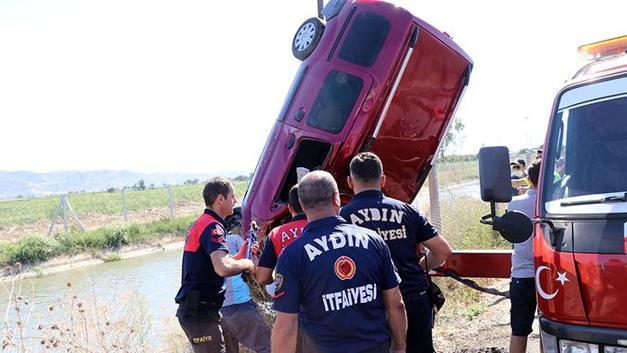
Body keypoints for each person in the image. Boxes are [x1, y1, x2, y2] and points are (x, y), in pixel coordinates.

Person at [271, 171, 407, 353]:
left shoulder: (292, 255)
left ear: (302, 205)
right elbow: (395, 303)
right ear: (336, 199)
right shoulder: (373, 240)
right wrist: (399, 347)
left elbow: (286, 324)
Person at [340, 152, 451, 353]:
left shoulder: (342, 218)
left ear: (349, 181)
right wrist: (419, 267)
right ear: (382, 180)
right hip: (413, 297)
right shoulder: (407, 211)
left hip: (370, 306)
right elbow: (442, 250)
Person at [175, 177, 255, 353]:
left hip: (202, 309)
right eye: (232, 196)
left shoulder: (203, 222)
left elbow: (212, 264)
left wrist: (237, 258)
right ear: (220, 199)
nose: (235, 201)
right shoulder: (213, 226)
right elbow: (221, 268)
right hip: (200, 312)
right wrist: (247, 264)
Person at [220, 207, 271, 353]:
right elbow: (252, 272)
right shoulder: (235, 240)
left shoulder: (213, 242)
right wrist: (255, 254)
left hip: (220, 308)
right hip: (239, 304)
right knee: (267, 346)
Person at [507, 160, 541, 353]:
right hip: (552, 274)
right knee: (549, 326)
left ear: (528, 179)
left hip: (523, 275)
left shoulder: (515, 203)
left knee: (519, 330)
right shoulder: (554, 201)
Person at [254, 184, 308, 286]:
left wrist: (276, 276)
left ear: (290, 208)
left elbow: (262, 278)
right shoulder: (325, 227)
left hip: (290, 295)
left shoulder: (276, 234)